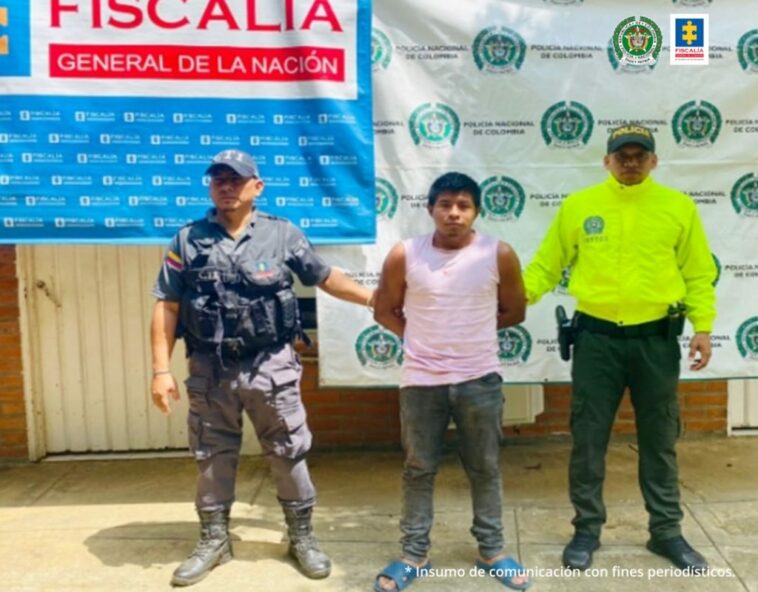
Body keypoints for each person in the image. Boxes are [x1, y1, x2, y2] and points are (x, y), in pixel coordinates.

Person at [150, 149, 373, 587]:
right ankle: (214, 539)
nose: (226, 186)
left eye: (236, 179)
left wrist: (374, 300)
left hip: (271, 364)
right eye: (218, 179)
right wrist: (161, 370)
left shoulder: (282, 234)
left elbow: (324, 276)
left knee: (288, 451)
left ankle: (301, 538)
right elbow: (167, 304)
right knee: (211, 454)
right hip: (209, 369)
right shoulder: (187, 240)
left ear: (257, 186)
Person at [523, 124, 717, 573]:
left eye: (639, 155)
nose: (631, 162)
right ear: (607, 160)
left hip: (656, 341)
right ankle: (586, 530)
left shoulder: (678, 207)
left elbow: (698, 274)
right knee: (588, 439)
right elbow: (545, 267)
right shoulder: (579, 206)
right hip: (596, 341)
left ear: (654, 161)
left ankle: (666, 531)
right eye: (622, 155)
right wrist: (512, 298)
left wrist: (703, 328)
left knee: (660, 439)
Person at [372, 172, 531, 591]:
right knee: (418, 468)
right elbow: (383, 310)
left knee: (485, 466)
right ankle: (413, 553)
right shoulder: (405, 255)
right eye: (445, 204)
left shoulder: (499, 254)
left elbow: (515, 311)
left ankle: (492, 551)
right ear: (430, 209)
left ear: (477, 211)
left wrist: (468, 330)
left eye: (463, 205)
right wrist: (421, 335)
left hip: (480, 377)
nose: (454, 213)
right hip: (421, 380)